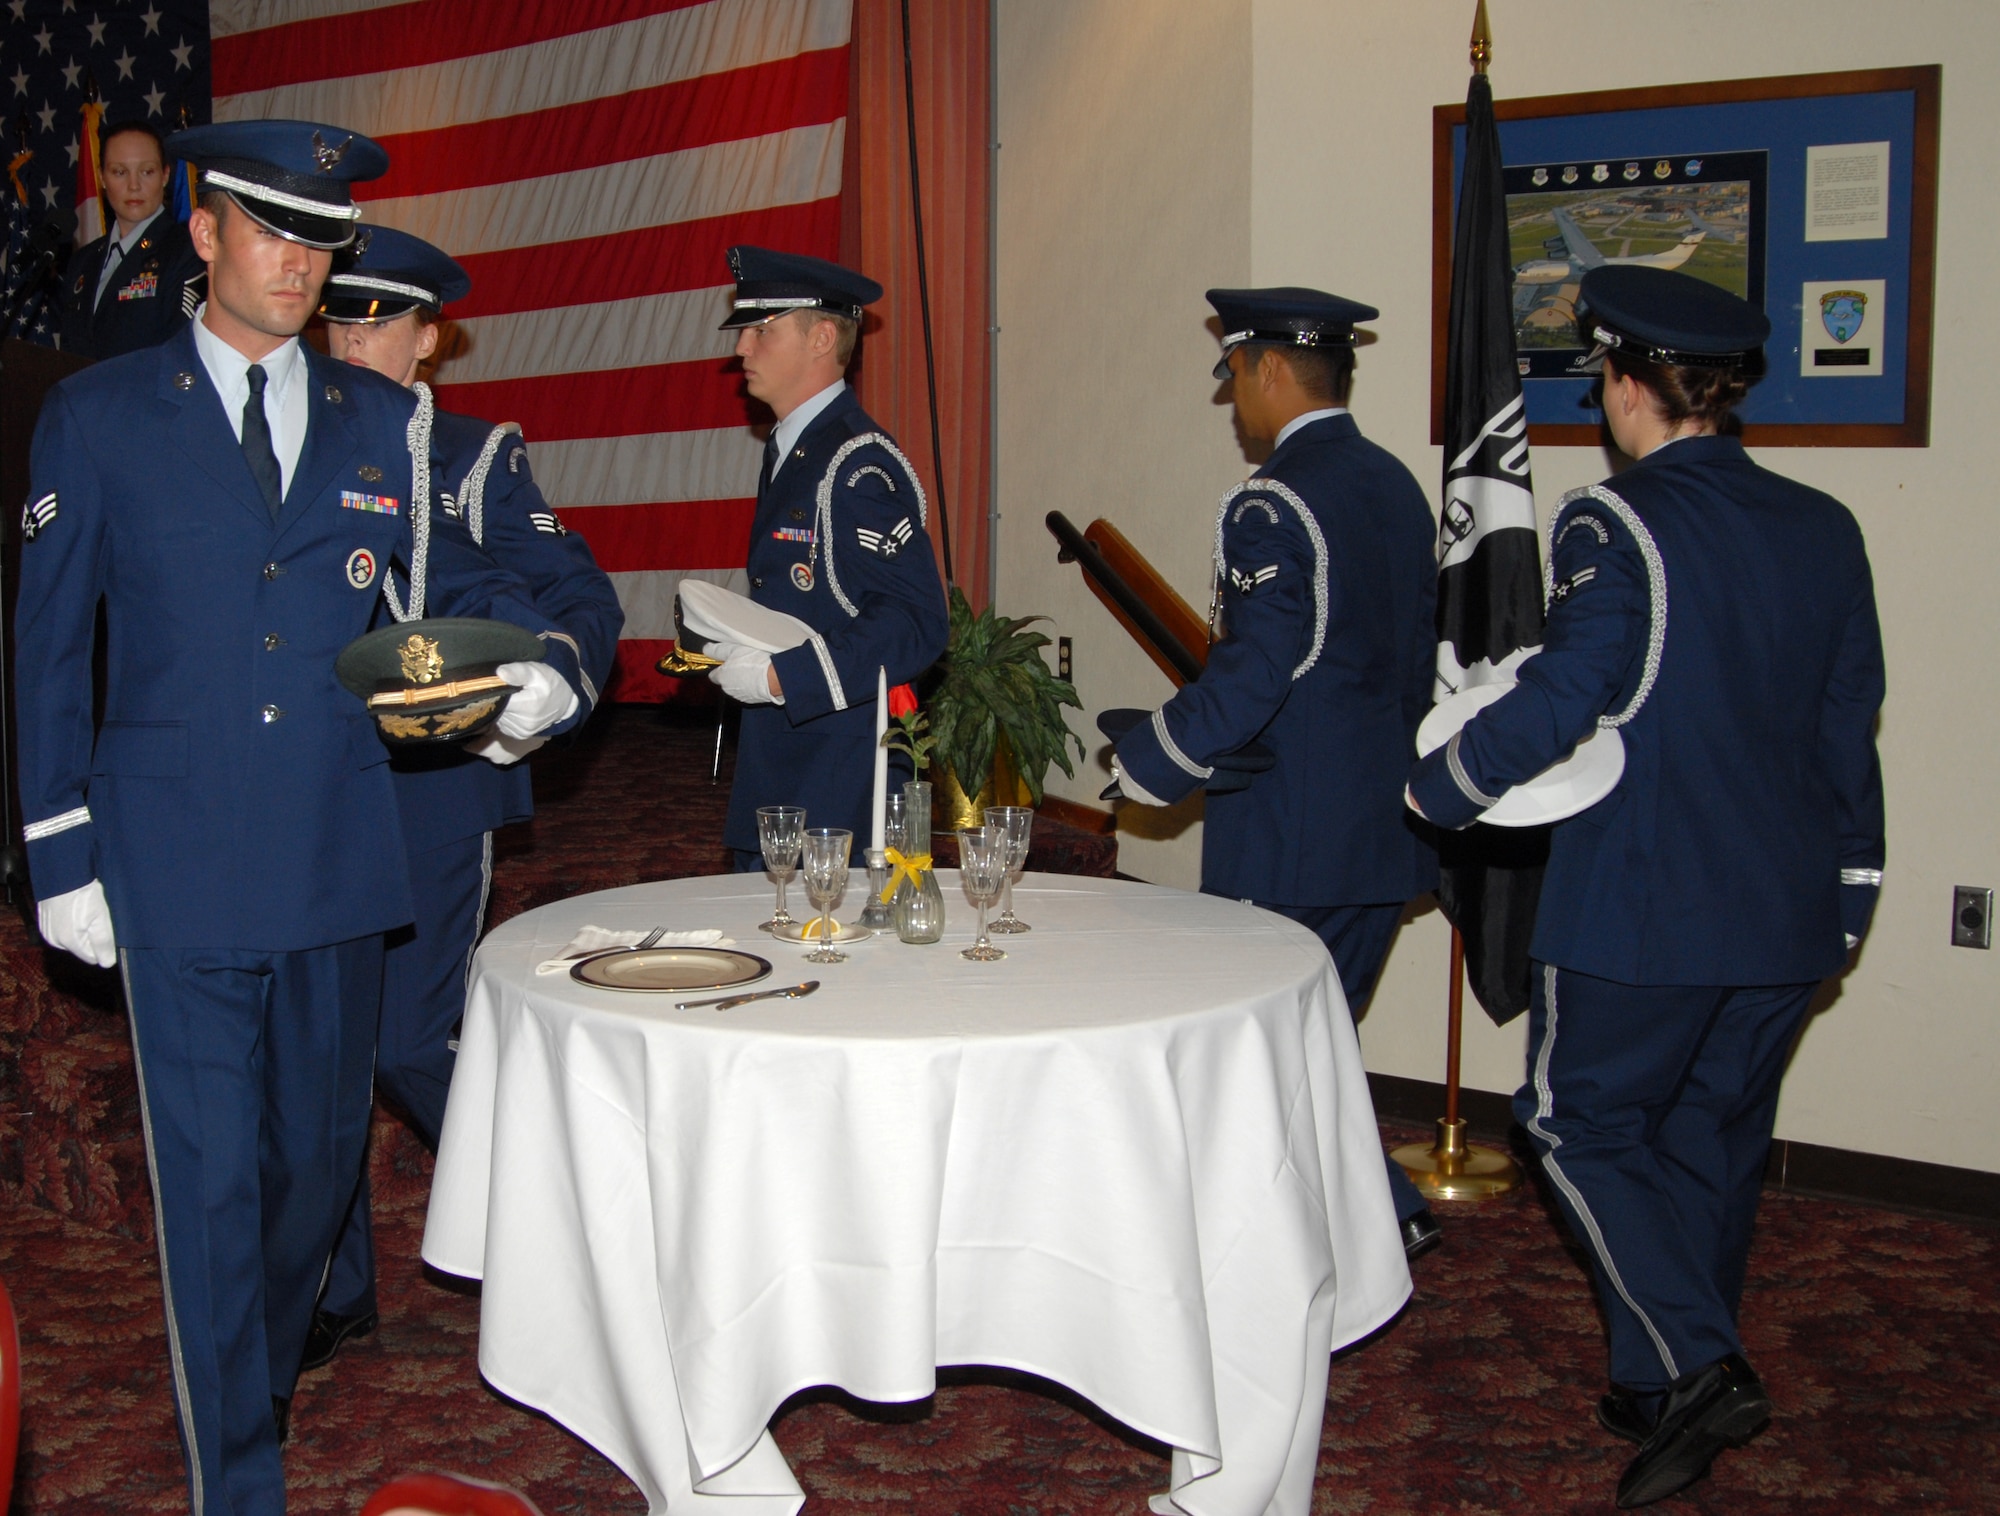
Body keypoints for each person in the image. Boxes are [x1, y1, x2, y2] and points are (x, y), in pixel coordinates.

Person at [14, 120, 590, 1516]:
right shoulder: (96, 418)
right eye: (269, 228)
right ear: (203, 234)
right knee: (209, 1191)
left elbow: (423, 621)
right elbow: (44, 650)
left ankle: (250, 1371)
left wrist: (529, 681)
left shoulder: (382, 421)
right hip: (177, 859)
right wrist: (58, 850)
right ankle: (240, 1478)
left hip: (344, 855)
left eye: (319, 237)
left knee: (315, 1176)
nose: (297, 258)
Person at [1405, 265, 1885, 1508]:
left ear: (1622, 386)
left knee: (1573, 1126)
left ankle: (1694, 1361)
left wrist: (1440, 785)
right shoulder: (1823, 524)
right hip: (1788, 908)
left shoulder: (1610, 524)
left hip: (1643, 905)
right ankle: (1656, 1371)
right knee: (1708, 1143)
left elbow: (1571, 696)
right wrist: (1852, 888)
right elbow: (1848, 725)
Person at [302, 225, 623, 1373]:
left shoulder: (476, 457)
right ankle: (337, 1288)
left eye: (379, 319)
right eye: (339, 316)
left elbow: (574, 589)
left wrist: (549, 669)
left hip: (438, 786)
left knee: (401, 1039)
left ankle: (561, 1222)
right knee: (326, 1047)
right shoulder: (290, 450)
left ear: (430, 339)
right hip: (318, 785)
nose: (351, 339)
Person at [1106, 287, 1444, 1261]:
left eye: (1233, 380)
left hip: (1292, 832)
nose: (1233, 408)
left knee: (1259, 1050)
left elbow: (1258, 670)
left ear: (1263, 368)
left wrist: (1152, 758)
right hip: (1383, 823)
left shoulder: (1272, 500)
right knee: (1310, 1044)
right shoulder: (1392, 485)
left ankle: (1293, 1239)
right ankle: (1383, 1208)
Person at [708, 246, 948, 866]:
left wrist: (779, 676)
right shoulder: (799, 448)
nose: (742, 349)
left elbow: (913, 623)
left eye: (761, 330)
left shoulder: (855, 462)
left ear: (820, 337)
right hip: (791, 764)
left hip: (838, 783)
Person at [57, 119, 202, 359]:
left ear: (165, 175)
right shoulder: (83, 261)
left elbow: (183, 348)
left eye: (147, 172)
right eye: (119, 172)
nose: (134, 186)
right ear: (102, 178)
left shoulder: (186, 250)